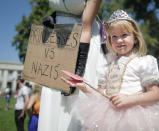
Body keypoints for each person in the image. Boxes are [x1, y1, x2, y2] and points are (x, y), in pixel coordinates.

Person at [61, 10, 159, 131]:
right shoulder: (107, 67)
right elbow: (101, 96)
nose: (119, 40)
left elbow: (155, 95)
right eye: (114, 37)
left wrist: (130, 100)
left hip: (134, 119)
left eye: (124, 35)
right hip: (108, 119)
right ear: (109, 40)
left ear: (135, 38)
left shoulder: (143, 62)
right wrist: (85, 87)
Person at [38, 0, 107, 131]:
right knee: (52, 96)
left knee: (73, 101)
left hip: (82, 39)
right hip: (57, 39)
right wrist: (53, 17)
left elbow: (86, 27)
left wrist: (78, 70)